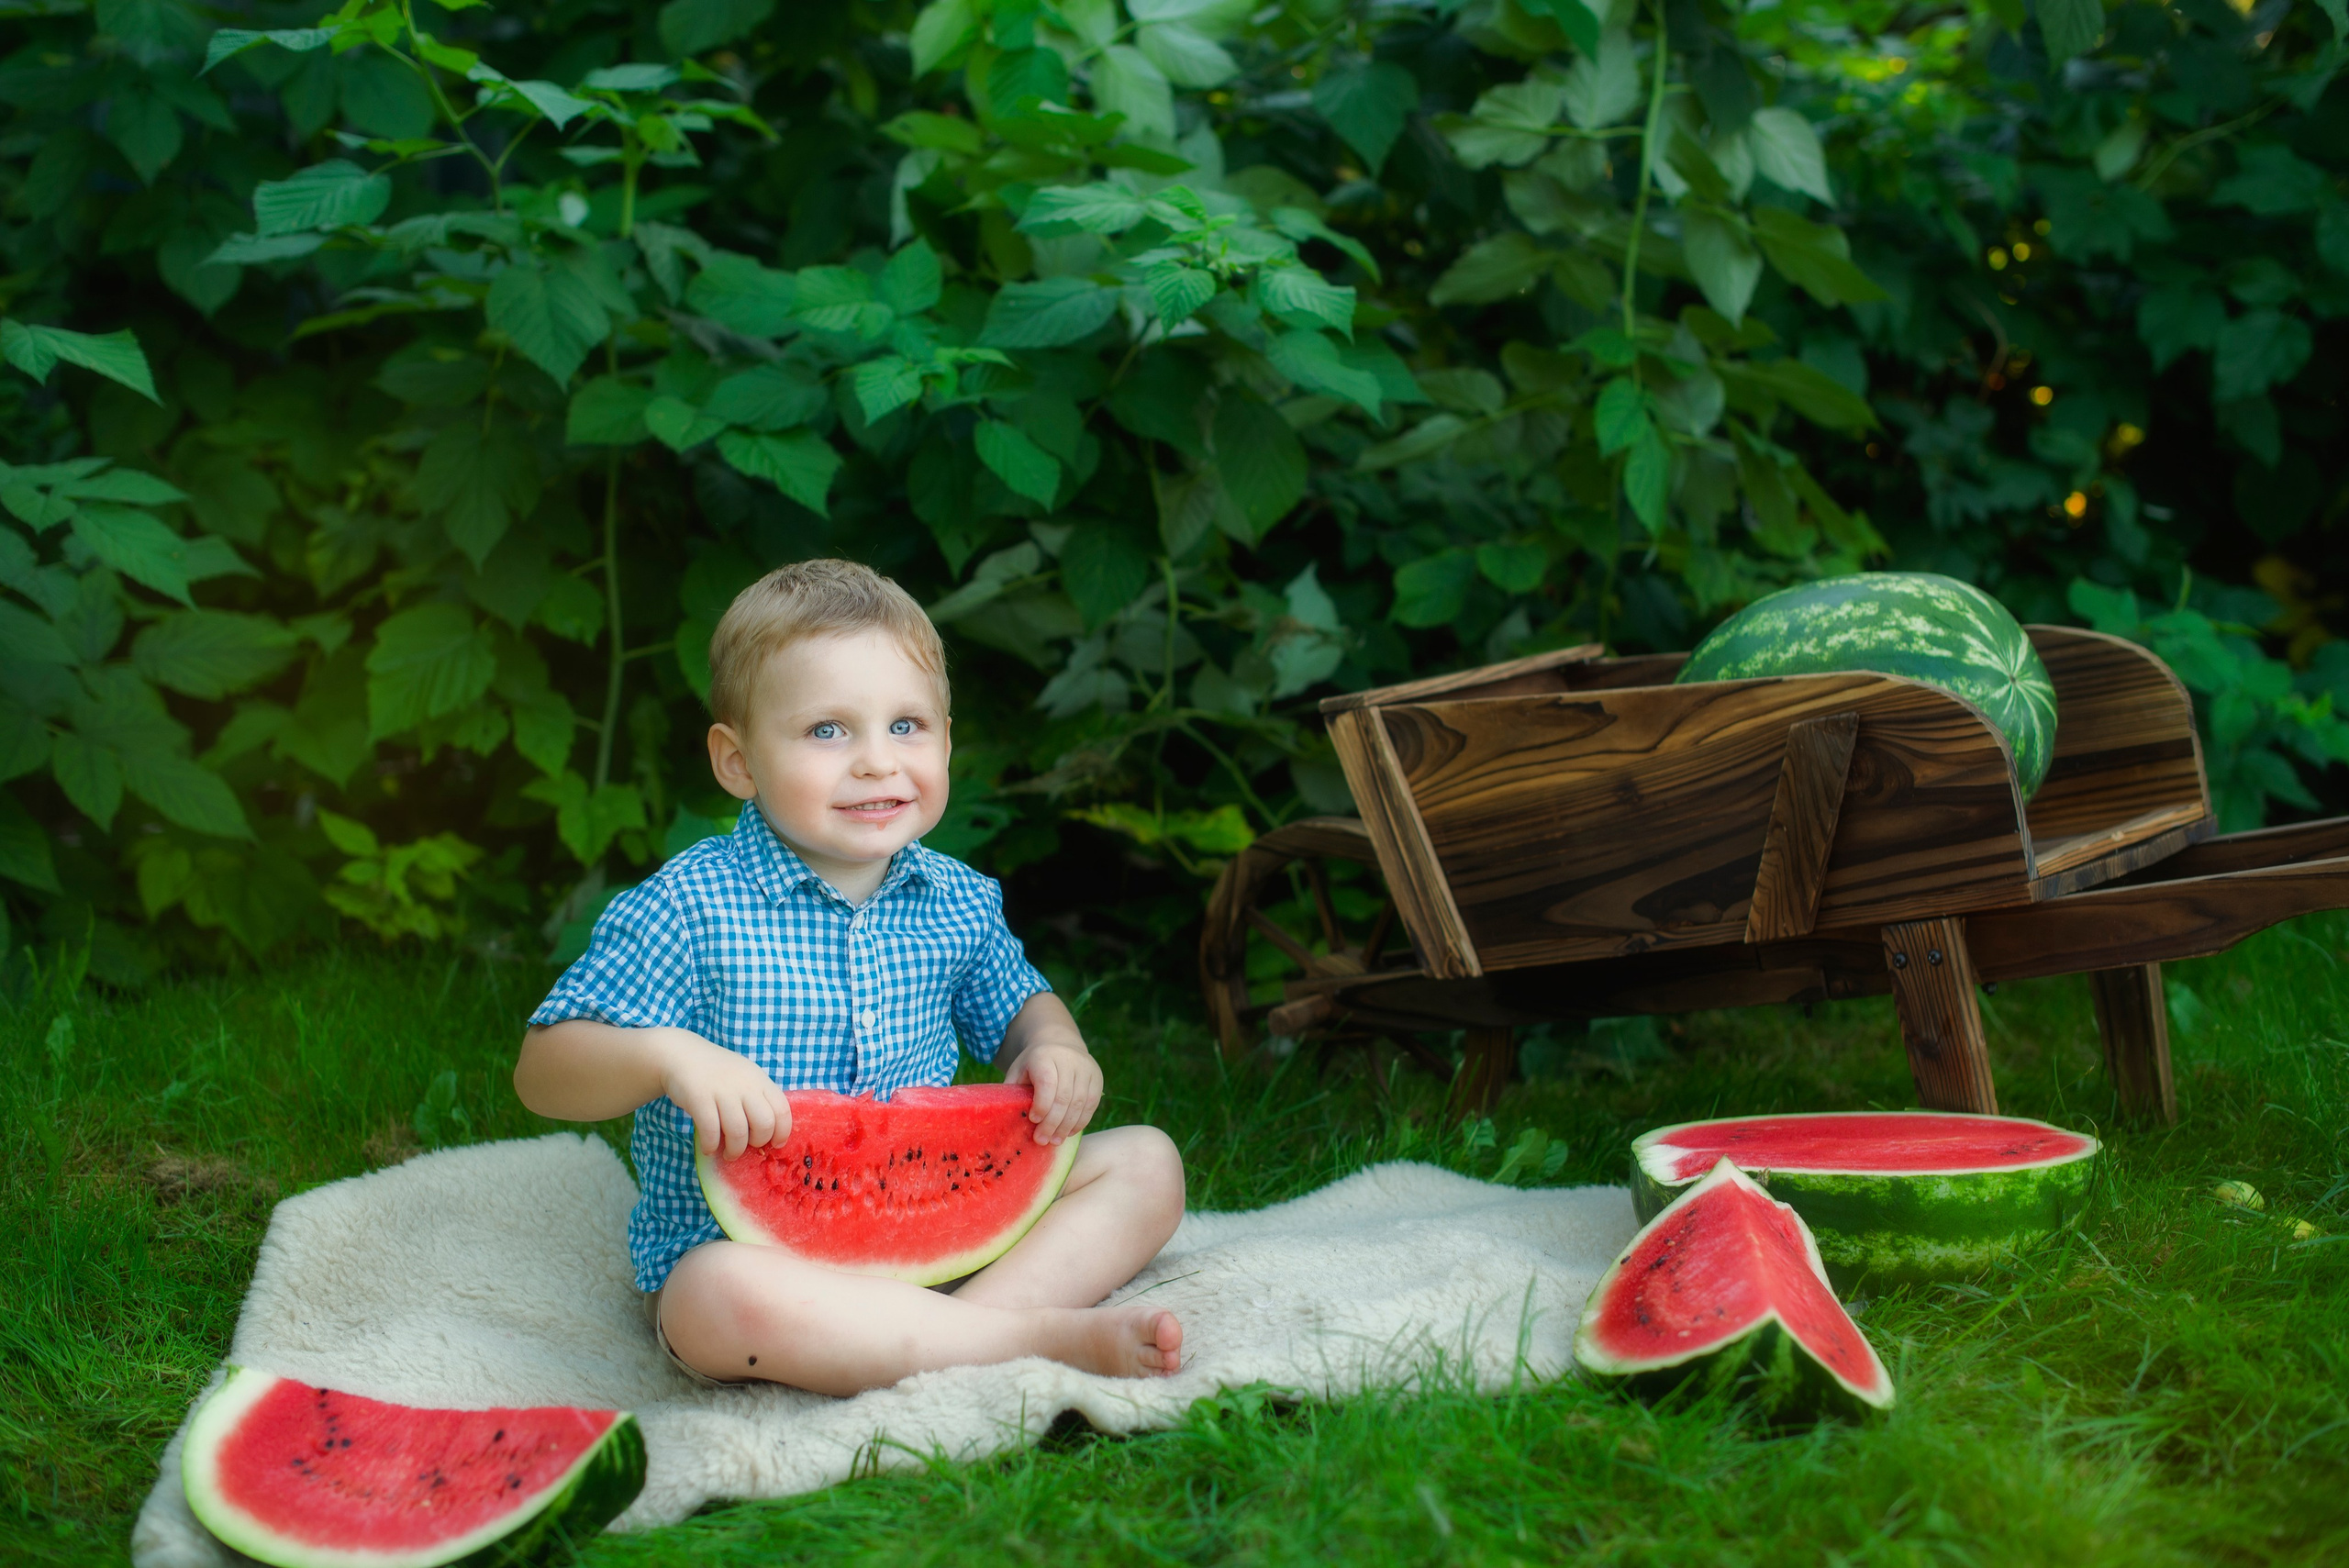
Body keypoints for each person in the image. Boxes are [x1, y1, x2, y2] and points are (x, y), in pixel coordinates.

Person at [514, 560, 1186, 1396]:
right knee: (707, 1297)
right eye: (828, 730)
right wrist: (667, 1058)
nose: (876, 761)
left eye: (906, 726)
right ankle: (1025, 1339)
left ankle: (960, 1334)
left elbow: (1019, 1005)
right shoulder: (688, 906)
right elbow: (543, 1069)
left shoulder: (958, 901)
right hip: (758, 1267)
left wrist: (1054, 1044)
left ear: (946, 735)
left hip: (935, 1231)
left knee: (1148, 1164)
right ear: (737, 761)